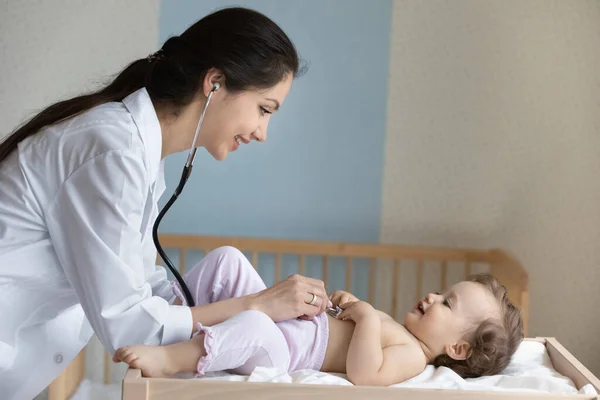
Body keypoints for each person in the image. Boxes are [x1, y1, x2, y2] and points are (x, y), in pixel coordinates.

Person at [0, 7, 328, 400]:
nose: (262, 133)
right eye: (264, 109)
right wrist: (255, 306)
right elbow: (130, 327)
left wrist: (216, 287)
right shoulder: (113, 152)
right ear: (216, 83)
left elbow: (136, 286)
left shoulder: (138, 155)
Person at [114, 246, 525, 386]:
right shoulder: (400, 330)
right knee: (229, 261)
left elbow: (366, 374)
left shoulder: (414, 356)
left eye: (447, 303)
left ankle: (172, 358)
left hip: (284, 352)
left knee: (254, 326)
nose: (433, 296)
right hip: (290, 323)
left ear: (456, 348)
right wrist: (344, 307)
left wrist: (364, 318)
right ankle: (166, 308)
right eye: (443, 292)